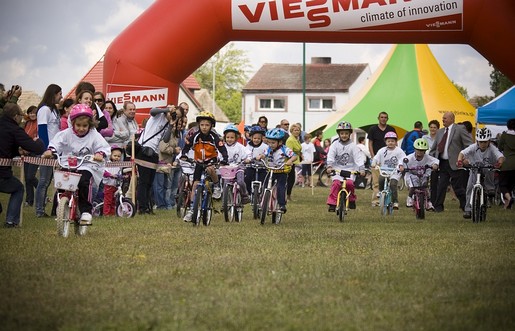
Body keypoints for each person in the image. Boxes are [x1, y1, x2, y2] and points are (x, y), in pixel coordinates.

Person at [42, 104, 110, 225]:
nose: (81, 128)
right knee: (61, 181)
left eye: (85, 126)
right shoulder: (66, 133)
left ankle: (86, 211)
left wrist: (100, 153)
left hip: (87, 165)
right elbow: (56, 142)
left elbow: (103, 146)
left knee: (84, 181)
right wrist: (51, 150)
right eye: (78, 125)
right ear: (72, 123)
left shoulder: (94, 135)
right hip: (68, 163)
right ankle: (62, 205)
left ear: (90, 124)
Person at [0, 103, 45, 227]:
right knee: (18, 188)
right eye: (21, 115)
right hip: (1, 173)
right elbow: (35, 148)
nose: (21, 118)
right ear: (15, 116)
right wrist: (39, 141)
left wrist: (17, 151)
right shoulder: (14, 129)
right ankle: (10, 221)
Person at [181, 111, 229, 222]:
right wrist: (184, 154)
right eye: (202, 125)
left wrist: (225, 159)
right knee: (195, 185)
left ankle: (217, 186)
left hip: (211, 160)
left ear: (211, 126)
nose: (204, 127)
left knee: (210, 169)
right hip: (199, 161)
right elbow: (187, 146)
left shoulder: (214, 137)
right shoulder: (195, 135)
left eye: (207, 125)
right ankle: (192, 209)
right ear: (199, 125)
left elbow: (222, 149)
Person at [429, 111, 473, 212]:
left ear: (452, 119)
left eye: (445, 118)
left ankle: (465, 205)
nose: (443, 119)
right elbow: (434, 148)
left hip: (455, 163)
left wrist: (466, 158)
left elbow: (469, 145)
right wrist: (432, 159)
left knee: (458, 187)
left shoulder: (460, 129)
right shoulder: (440, 131)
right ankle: (438, 207)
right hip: (442, 163)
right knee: (441, 186)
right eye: (442, 118)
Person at [457, 128, 504, 218]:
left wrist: (499, 163)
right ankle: (468, 209)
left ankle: (490, 188)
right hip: (475, 168)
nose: (483, 144)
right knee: (470, 187)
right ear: (477, 141)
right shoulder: (473, 147)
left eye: (485, 142)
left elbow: (500, 156)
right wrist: (459, 161)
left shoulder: (492, 148)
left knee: (490, 169)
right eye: (481, 142)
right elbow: (462, 153)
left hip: (486, 168)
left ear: (489, 141)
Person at [135, 107, 175, 214]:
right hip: (144, 150)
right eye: (172, 112)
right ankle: (142, 208)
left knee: (149, 182)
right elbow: (152, 111)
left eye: (175, 114)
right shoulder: (158, 116)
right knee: (143, 182)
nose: (172, 114)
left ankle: (148, 207)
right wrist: (166, 109)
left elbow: (165, 139)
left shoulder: (168, 123)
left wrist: (171, 125)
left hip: (154, 154)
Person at [35, 83, 63, 218]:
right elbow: (42, 131)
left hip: (55, 150)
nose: (61, 97)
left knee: (49, 181)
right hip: (48, 151)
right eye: (59, 94)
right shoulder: (44, 110)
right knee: (44, 181)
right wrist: (47, 150)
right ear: (53, 94)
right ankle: (39, 210)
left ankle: (43, 209)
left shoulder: (54, 110)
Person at [326, 122, 366, 212]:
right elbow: (331, 155)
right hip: (337, 169)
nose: (344, 135)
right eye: (342, 133)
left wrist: (361, 169)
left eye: (346, 133)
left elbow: (358, 158)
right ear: (339, 134)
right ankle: (332, 203)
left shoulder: (353, 146)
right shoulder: (335, 145)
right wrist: (329, 166)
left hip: (350, 169)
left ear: (350, 134)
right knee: (336, 184)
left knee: (349, 184)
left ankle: (351, 199)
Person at [258, 128, 297, 213]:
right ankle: (262, 202)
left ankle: (282, 204)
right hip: (271, 171)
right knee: (265, 186)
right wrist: (260, 156)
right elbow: (264, 154)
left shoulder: (284, 149)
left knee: (280, 187)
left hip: (281, 171)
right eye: (269, 142)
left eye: (273, 143)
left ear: (280, 142)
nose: (271, 145)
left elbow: (294, 156)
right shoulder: (268, 149)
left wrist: (290, 160)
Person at [399, 138, 439, 211]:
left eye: (422, 150)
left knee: (425, 186)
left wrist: (435, 165)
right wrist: (401, 166)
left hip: (423, 174)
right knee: (413, 185)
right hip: (411, 174)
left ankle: (428, 202)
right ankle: (410, 197)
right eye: (418, 150)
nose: (420, 152)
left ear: (425, 151)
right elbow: (401, 161)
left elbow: (435, 161)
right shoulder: (409, 157)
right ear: (414, 149)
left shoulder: (428, 158)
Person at [367, 112, 396, 206]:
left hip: (389, 160)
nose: (383, 119)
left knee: (389, 182)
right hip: (377, 158)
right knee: (376, 182)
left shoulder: (391, 129)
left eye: (385, 117)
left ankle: (389, 200)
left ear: (387, 119)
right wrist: (372, 156)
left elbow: (395, 143)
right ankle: (375, 201)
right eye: (382, 117)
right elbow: (370, 143)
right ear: (378, 118)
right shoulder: (373, 129)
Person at [371, 132, 405, 209]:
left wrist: (401, 166)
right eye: (389, 141)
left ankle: (395, 201)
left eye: (392, 141)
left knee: (393, 184)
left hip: (395, 171)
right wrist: (374, 162)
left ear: (396, 142)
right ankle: (380, 191)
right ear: (385, 142)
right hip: (384, 170)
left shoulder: (399, 151)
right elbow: (376, 157)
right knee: (381, 179)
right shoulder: (382, 150)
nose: (390, 143)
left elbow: (403, 159)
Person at [222, 124, 250, 204]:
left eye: (232, 137)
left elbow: (248, 153)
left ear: (236, 138)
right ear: (225, 137)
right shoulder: (223, 147)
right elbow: (218, 155)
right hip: (227, 168)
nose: (229, 139)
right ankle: (225, 201)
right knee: (226, 183)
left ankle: (244, 195)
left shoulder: (240, 147)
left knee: (240, 181)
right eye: (227, 137)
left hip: (238, 167)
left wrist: (248, 159)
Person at [22, 105, 39, 207]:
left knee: (30, 177)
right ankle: (29, 200)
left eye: (34, 112)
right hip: (25, 152)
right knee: (26, 178)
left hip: (34, 152)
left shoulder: (38, 123)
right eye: (30, 112)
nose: (32, 114)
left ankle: (42, 193)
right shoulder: (27, 123)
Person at [244, 125, 268, 192]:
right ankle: (249, 192)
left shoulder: (265, 147)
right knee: (247, 178)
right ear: (251, 137)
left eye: (258, 138)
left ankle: (261, 193)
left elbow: (267, 154)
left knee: (263, 181)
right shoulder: (248, 146)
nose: (256, 140)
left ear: (261, 138)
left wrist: (262, 156)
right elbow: (246, 153)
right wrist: (247, 159)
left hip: (262, 167)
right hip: (251, 166)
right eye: (255, 138)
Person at [498, 118, 515, 209]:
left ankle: (509, 198)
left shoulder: (504, 135)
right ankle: (508, 204)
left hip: (506, 164)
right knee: (511, 185)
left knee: (503, 184)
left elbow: (499, 148)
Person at [102, 145, 124, 216]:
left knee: (113, 201)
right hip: (108, 185)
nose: (117, 158)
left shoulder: (118, 165)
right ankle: (106, 213)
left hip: (115, 185)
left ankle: (112, 213)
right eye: (115, 156)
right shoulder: (107, 163)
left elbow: (119, 173)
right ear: (110, 155)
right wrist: (110, 175)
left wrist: (122, 176)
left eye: (118, 156)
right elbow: (104, 172)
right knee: (108, 200)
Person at [423, 120, 440, 204]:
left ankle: (433, 200)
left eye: (434, 127)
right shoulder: (424, 138)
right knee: (424, 181)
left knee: (434, 182)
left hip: (435, 161)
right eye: (431, 127)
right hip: (425, 160)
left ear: (438, 129)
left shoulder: (440, 137)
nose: (432, 129)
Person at [285, 123, 302, 201]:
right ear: (291, 131)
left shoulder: (296, 139)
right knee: (290, 180)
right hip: (290, 162)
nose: (297, 131)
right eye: (295, 130)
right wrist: (290, 161)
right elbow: (289, 152)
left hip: (295, 161)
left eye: (298, 130)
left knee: (292, 180)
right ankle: (287, 196)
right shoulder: (290, 140)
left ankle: (288, 195)